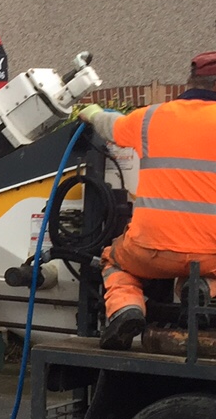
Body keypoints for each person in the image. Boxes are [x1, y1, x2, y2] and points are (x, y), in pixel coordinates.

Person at [81, 52, 216, 350]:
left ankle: (126, 308)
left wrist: (91, 113)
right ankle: (205, 288)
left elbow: (111, 125)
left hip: (149, 248)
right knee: (203, 269)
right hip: (211, 254)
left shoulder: (151, 117)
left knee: (113, 259)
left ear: (191, 79)